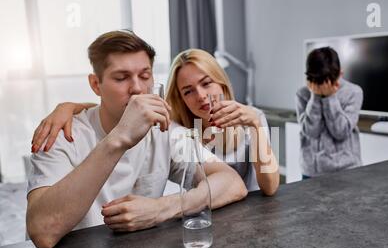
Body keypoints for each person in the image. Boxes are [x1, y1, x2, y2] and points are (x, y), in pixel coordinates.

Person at [26, 30, 248, 248]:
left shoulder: (165, 131)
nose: (138, 89)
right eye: (121, 78)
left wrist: (161, 209)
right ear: (95, 85)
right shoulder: (60, 132)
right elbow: (42, 231)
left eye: (144, 76)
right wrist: (119, 138)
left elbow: (232, 184)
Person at [31, 49, 279, 196]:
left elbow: (269, 188)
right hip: (203, 220)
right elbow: (123, 109)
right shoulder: (179, 126)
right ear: (180, 98)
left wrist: (257, 126)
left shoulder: (252, 118)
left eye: (206, 83)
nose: (201, 96)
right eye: (188, 91)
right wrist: (69, 107)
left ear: (221, 82)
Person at [295, 47, 363, 179]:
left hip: (347, 169)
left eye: (326, 81)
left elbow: (341, 132)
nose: (323, 86)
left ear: (340, 74)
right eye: (318, 82)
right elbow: (311, 132)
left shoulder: (354, 92)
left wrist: (330, 98)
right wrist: (315, 96)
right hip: (312, 172)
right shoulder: (302, 94)